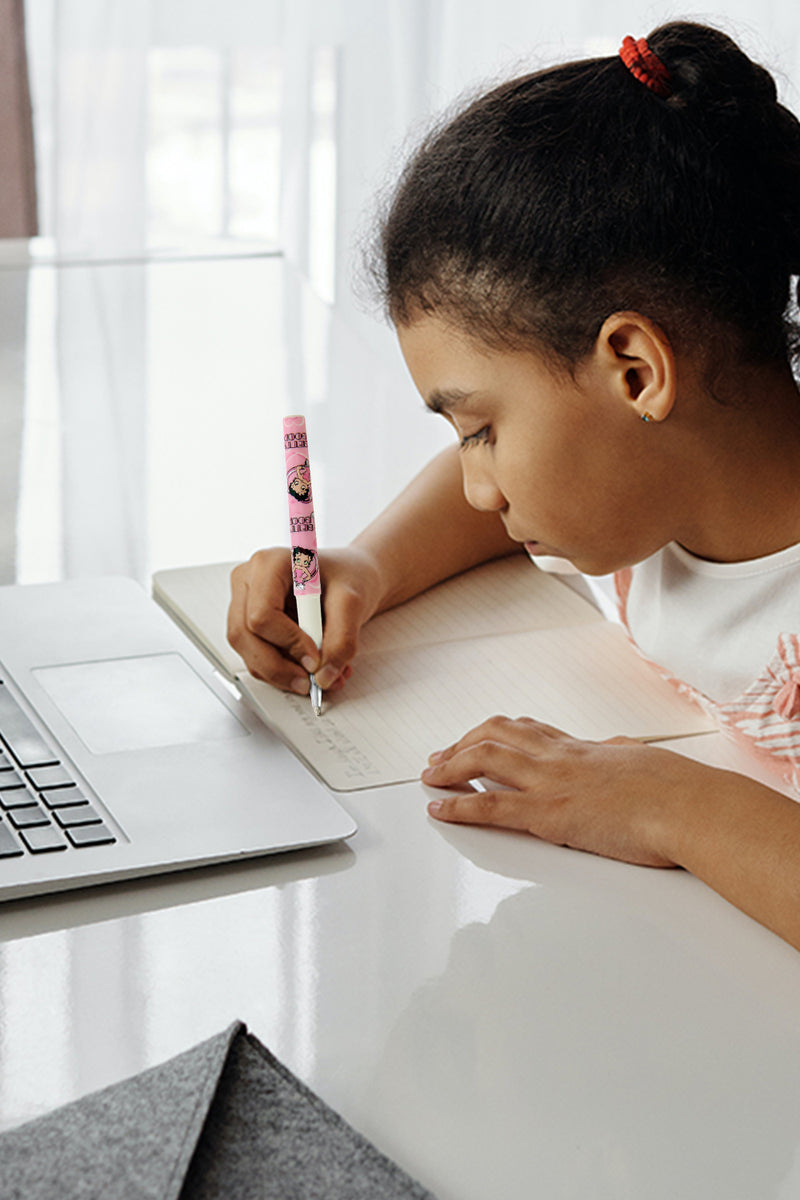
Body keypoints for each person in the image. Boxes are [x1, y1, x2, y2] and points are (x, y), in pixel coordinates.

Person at [228, 22, 800, 950]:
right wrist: (368, 567)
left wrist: (670, 804)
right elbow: (484, 505)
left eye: (483, 431)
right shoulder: (657, 477)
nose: (481, 487)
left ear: (635, 371)